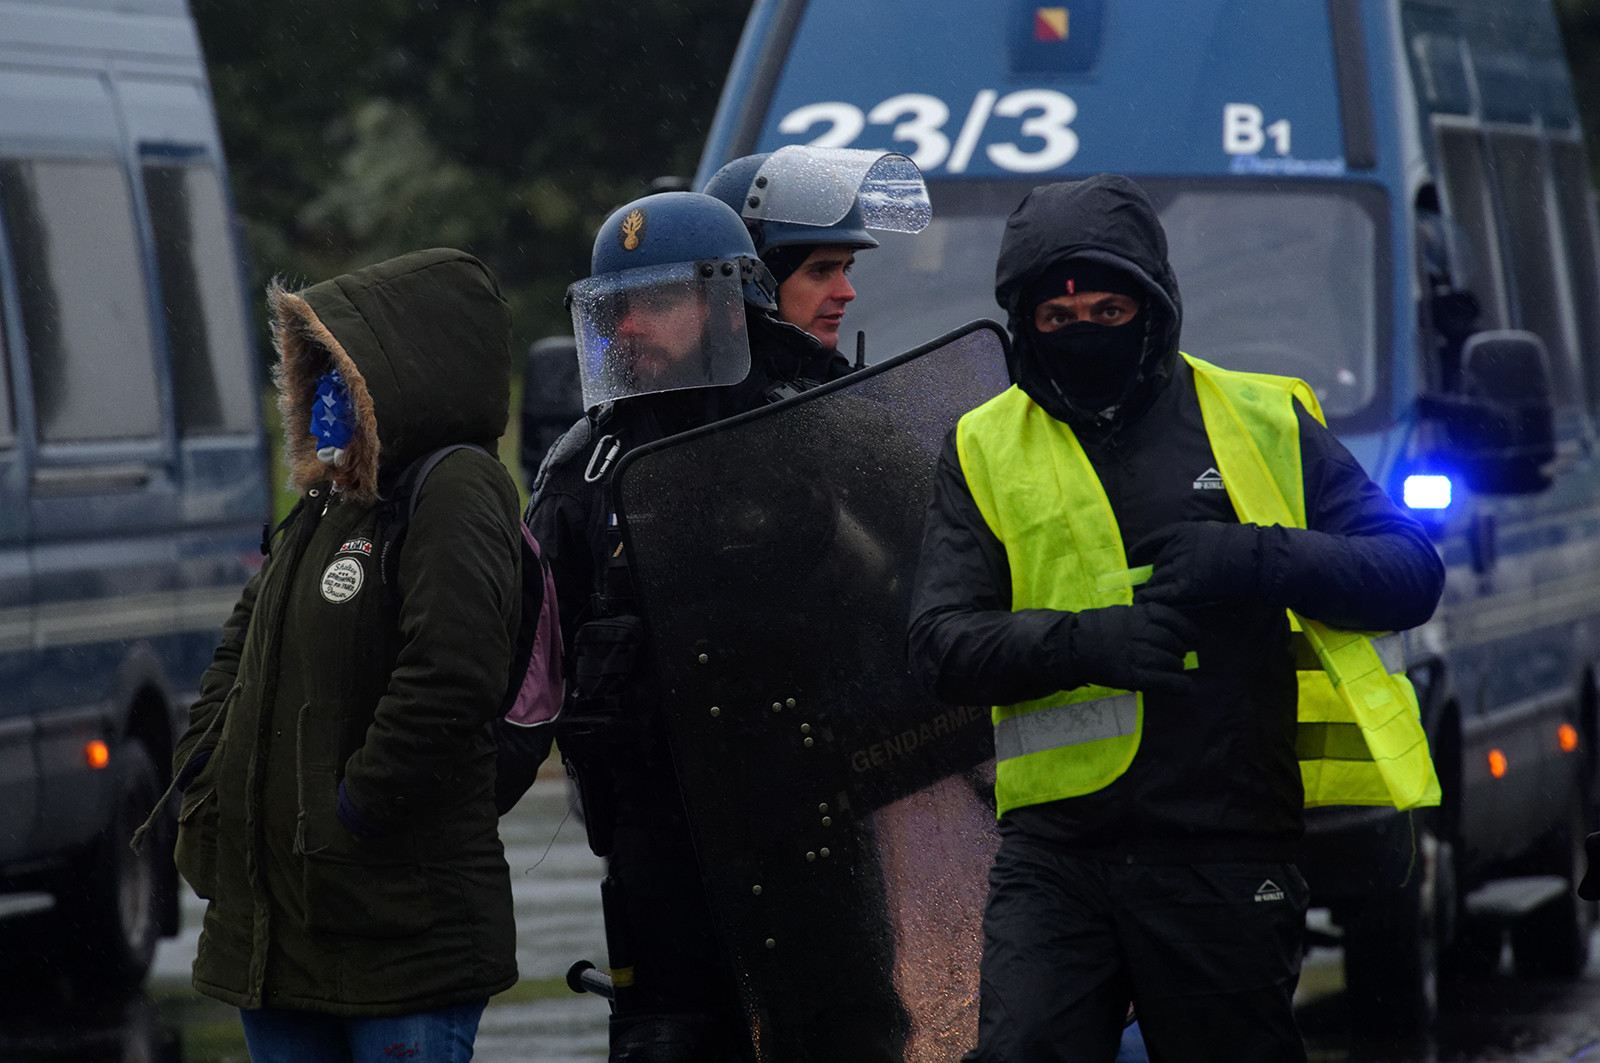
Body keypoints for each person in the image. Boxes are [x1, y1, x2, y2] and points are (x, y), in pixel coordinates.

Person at [906, 174, 1446, 1062]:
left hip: (1224, 847)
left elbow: (1410, 573)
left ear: (1155, 306)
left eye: (1107, 308)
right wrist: (1087, 643)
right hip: (1055, 856)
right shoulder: (982, 445)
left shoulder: (1262, 418)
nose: (1081, 327)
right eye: (1056, 316)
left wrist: (1259, 556)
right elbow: (938, 644)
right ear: (1023, 323)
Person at [169, 249, 522, 1062]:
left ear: (399, 376)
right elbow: (243, 651)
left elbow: (452, 673)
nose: (321, 393)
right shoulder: (325, 501)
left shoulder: (455, 487)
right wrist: (206, 773)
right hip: (279, 939)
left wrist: (354, 809)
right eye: (315, 370)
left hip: (399, 937)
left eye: (342, 370)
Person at [702, 146, 930, 352]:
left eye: (846, 270)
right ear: (751, 283)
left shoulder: (836, 388)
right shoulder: (693, 396)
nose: (847, 293)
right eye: (820, 271)